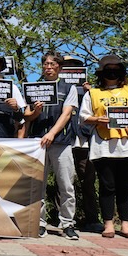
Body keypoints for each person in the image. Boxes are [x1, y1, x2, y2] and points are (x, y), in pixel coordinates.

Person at [24, 52, 79, 239]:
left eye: (52, 64)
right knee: (37, 186)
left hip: (61, 143)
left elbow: (67, 114)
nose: (48, 67)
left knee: (66, 185)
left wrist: (52, 133)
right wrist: (35, 111)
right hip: (37, 143)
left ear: (60, 68)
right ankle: (39, 223)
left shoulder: (69, 88)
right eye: (45, 64)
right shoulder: (33, 88)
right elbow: (27, 116)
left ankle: (67, 224)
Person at [79, 54, 128, 239]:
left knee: (125, 186)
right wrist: (97, 119)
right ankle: (108, 224)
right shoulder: (93, 93)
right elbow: (83, 117)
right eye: (108, 70)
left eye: (116, 69)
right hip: (103, 145)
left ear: (122, 72)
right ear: (102, 73)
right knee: (107, 186)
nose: (112, 73)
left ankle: (126, 225)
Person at [62, 56, 102, 233]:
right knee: (63, 182)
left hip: (85, 141)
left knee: (87, 181)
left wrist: (90, 92)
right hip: (64, 140)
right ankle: (61, 219)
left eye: (74, 67)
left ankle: (92, 219)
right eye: (67, 66)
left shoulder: (91, 92)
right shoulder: (58, 89)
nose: (71, 69)